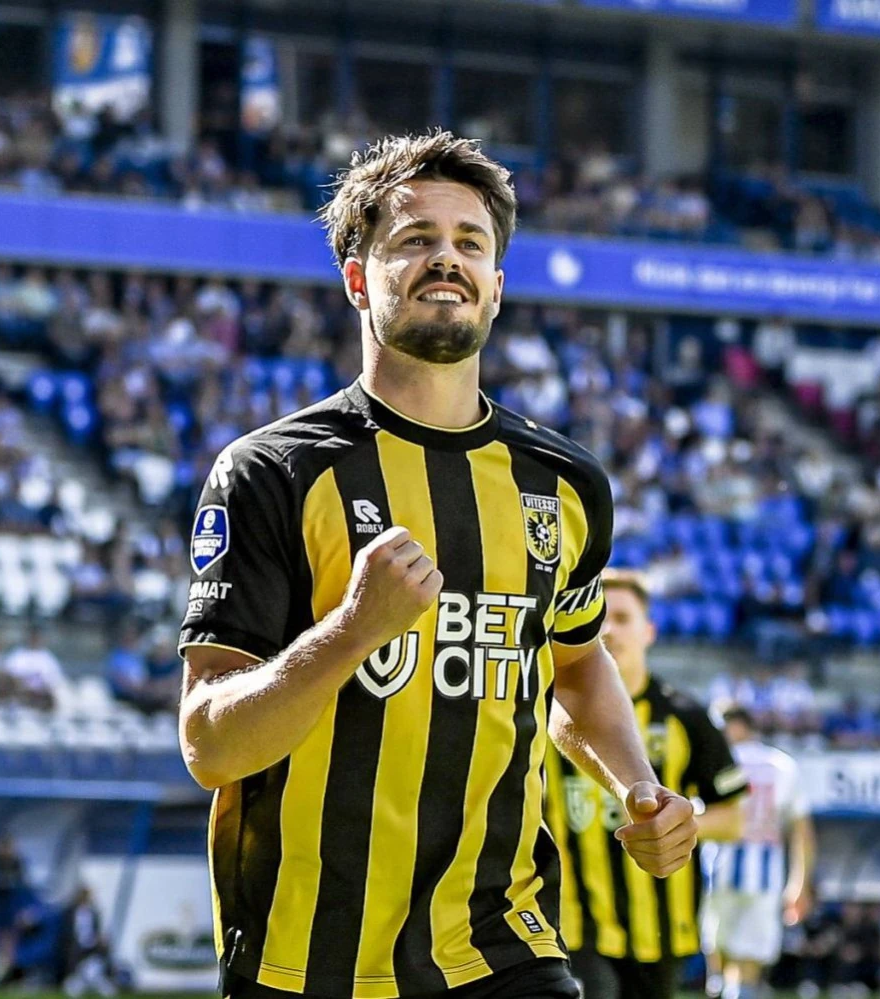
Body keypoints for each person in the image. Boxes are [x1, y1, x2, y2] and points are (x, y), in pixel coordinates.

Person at [178, 131, 697, 999]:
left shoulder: (565, 482)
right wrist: (354, 630)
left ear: (496, 285)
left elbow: (574, 664)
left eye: (470, 243)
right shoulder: (273, 472)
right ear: (357, 279)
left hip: (503, 947)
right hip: (308, 959)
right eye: (415, 239)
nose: (446, 259)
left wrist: (638, 787)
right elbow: (209, 744)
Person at [547, 570, 747, 999]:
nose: (609, 629)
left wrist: (671, 827)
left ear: (648, 632)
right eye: (599, 617)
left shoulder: (686, 716)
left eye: (622, 618)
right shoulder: (548, 714)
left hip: (662, 928)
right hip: (574, 924)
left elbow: (734, 819)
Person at [704, 705, 815, 999]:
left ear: (735, 725)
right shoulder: (782, 765)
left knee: (718, 953)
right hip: (765, 878)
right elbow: (802, 831)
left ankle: (722, 986)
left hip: (717, 872)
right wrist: (799, 883)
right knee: (749, 959)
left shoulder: (717, 758)